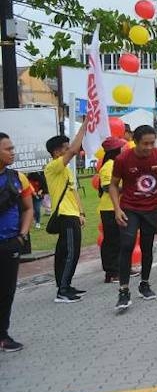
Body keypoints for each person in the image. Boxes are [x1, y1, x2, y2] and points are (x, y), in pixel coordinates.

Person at [109, 124, 157, 310]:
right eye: (146, 144)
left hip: (151, 208)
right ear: (135, 142)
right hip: (130, 207)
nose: (150, 147)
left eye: (153, 143)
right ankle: (124, 290)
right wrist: (117, 209)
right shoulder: (123, 159)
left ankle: (145, 283)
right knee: (127, 244)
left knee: (147, 247)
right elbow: (113, 185)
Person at [44, 122, 87, 303]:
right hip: (64, 216)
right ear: (56, 152)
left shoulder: (66, 170)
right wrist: (84, 126)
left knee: (67, 252)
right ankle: (62, 290)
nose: (69, 149)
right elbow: (75, 150)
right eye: (65, 147)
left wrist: (81, 212)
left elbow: (72, 191)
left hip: (72, 215)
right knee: (70, 253)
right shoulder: (53, 167)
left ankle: (66, 285)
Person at [0, 133, 35, 351]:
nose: (13, 152)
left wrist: (22, 235)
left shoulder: (17, 177)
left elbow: (29, 208)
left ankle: (3, 335)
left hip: (10, 243)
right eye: (8, 149)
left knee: (7, 291)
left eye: (13, 148)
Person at [97, 137, 127, 283]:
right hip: (109, 209)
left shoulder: (116, 163)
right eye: (121, 148)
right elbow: (107, 187)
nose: (124, 150)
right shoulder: (108, 166)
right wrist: (128, 188)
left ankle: (120, 268)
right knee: (112, 240)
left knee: (121, 239)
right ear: (116, 151)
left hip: (118, 207)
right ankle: (111, 271)